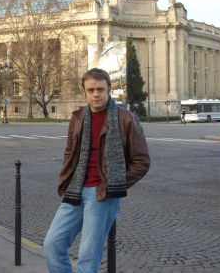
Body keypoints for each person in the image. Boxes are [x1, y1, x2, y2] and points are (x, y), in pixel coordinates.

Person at [43, 68, 150, 273]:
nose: (96, 94)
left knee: (87, 260)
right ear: (84, 92)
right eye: (91, 90)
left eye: (100, 89)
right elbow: (69, 153)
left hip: (102, 194)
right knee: (52, 245)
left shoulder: (126, 119)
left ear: (109, 89)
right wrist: (68, 177)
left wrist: (115, 184)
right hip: (75, 190)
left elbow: (141, 162)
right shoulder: (78, 118)